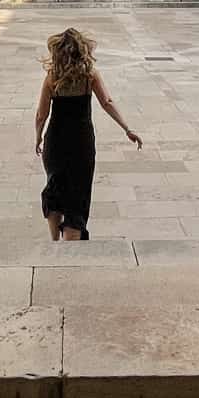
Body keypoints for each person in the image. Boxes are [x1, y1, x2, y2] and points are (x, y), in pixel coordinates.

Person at [34, 28, 142, 241]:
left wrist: (38, 137)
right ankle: (70, 243)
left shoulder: (52, 78)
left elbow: (41, 115)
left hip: (56, 142)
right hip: (81, 142)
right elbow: (107, 102)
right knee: (77, 194)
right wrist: (127, 128)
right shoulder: (90, 75)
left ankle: (55, 240)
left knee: (55, 186)